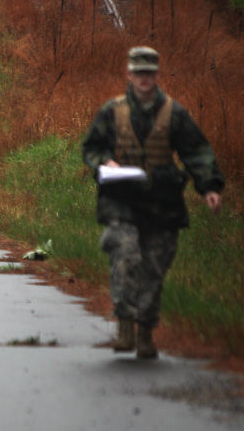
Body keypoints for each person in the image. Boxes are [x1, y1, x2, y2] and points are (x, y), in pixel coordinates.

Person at [81, 46, 223, 359]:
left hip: (162, 203)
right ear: (129, 75)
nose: (144, 79)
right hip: (122, 201)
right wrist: (105, 161)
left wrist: (210, 187)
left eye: (149, 73)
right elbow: (91, 148)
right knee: (126, 255)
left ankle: (145, 330)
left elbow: (196, 151)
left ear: (156, 76)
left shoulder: (174, 113)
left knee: (154, 267)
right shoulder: (112, 111)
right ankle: (125, 324)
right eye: (138, 73)